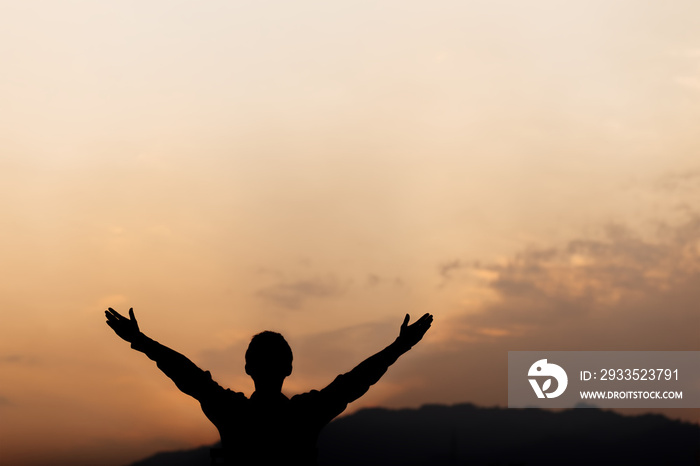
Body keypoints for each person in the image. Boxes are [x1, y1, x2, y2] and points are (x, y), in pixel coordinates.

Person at [105, 308, 433, 465]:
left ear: (247, 368)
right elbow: (356, 381)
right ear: (290, 368)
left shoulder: (232, 412)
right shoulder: (305, 415)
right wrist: (400, 346)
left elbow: (188, 375)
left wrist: (141, 341)